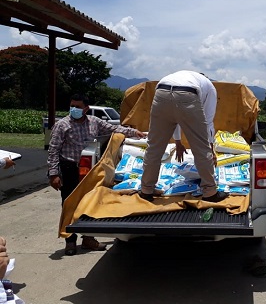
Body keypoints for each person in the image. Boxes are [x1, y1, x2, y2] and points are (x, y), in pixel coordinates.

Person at [48, 94, 146, 256]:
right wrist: (53, 174)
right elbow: (53, 150)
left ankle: (88, 238)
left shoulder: (94, 122)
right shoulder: (62, 125)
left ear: (86, 108)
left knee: (89, 202)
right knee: (69, 203)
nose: (74, 109)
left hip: (88, 169)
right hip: (69, 167)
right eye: (72, 106)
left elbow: (115, 129)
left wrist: (135, 133)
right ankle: (70, 241)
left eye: (78, 107)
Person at [139, 70, 228, 203]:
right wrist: (210, 147)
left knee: (154, 147)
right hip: (187, 93)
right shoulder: (209, 87)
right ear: (206, 78)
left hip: (161, 91)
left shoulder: (183, 75)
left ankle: (146, 190)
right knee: (201, 149)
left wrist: (178, 142)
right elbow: (208, 122)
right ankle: (210, 192)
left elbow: (174, 119)